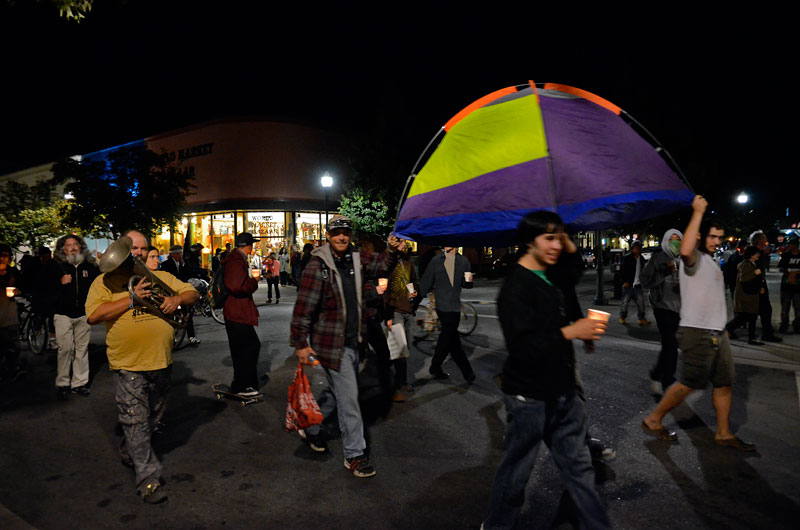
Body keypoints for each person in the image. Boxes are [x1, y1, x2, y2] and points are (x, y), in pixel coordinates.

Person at [483, 211, 611, 530]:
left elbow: (574, 268)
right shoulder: (515, 287)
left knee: (580, 469)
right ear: (530, 242)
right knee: (516, 473)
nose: (557, 245)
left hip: (564, 392)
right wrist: (572, 331)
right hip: (529, 397)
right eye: (549, 238)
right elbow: (524, 349)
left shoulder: (552, 273)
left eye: (561, 237)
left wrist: (562, 232)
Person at [85, 230, 199, 503]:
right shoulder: (104, 282)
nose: (137, 253)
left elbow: (192, 293)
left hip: (160, 361)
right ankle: (148, 478)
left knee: (153, 417)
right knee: (136, 420)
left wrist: (176, 300)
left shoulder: (162, 277)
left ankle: (130, 448)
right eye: (132, 248)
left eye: (142, 248)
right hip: (128, 364)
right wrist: (131, 298)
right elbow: (93, 315)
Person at [290, 215, 401, 478]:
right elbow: (303, 308)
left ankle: (312, 429)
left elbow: (383, 265)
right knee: (350, 399)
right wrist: (300, 343)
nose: (342, 236)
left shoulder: (357, 258)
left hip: (356, 342)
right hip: (332, 345)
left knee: (338, 391)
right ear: (328, 235)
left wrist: (393, 248)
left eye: (346, 232)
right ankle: (355, 455)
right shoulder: (318, 266)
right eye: (337, 232)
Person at [642, 196, 755, 451]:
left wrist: (723, 326)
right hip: (698, 332)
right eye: (712, 236)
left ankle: (724, 434)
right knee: (689, 382)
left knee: (724, 383)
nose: (717, 241)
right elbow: (684, 249)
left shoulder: (713, 263)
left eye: (720, 237)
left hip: (718, 332)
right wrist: (698, 211)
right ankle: (653, 419)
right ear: (702, 236)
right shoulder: (691, 258)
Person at [417, 245, 475, 382]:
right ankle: (440, 367)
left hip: (455, 306)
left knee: (452, 341)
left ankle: (439, 369)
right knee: (448, 338)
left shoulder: (463, 261)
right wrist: (414, 301)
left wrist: (469, 282)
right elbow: (426, 282)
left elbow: (466, 284)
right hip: (442, 307)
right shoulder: (436, 260)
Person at [52, 235, 100, 400]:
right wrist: (59, 283)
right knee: (65, 348)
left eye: (75, 244)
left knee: (82, 349)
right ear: (63, 249)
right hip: (62, 314)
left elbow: (98, 288)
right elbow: (43, 288)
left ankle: (79, 383)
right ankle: (63, 383)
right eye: (68, 245)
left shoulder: (90, 267)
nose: (73, 247)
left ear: (81, 247)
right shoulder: (56, 267)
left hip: (83, 314)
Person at [640, 229, 683, 394]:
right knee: (670, 344)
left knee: (670, 345)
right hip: (662, 307)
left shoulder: (684, 260)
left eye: (678, 239)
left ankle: (657, 372)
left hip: (680, 307)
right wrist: (662, 274)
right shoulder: (657, 259)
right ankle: (668, 379)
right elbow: (645, 281)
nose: (675, 243)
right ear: (665, 241)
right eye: (671, 239)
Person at [222, 232, 261, 396]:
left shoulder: (235, 258)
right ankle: (242, 385)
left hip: (236, 311)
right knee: (248, 348)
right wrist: (254, 281)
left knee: (245, 348)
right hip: (237, 312)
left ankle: (245, 383)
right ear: (249, 245)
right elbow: (237, 286)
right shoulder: (236, 260)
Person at [383, 239, 418, 402]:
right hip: (395, 310)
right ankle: (399, 382)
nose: (405, 245)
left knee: (406, 346)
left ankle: (391, 378)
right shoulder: (388, 263)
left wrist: (415, 293)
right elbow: (383, 289)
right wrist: (387, 315)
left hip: (409, 310)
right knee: (399, 348)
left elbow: (413, 282)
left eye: (406, 243)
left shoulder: (408, 263)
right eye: (402, 242)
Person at [160, 244, 200, 345]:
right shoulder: (166, 264)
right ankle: (172, 337)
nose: (180, 256)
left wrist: (183, 265)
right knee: (171, 315)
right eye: (178, 254)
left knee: (187, 314)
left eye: (180, 253)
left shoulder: (183, 264)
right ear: (173, 254)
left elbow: (188, 274)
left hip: (182, 292)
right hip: (171, 293)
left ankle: (191, 336)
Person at [725, 246, 766, 345]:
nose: (758, 255)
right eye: (757, 253)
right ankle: (728, 330)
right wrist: (755, 273)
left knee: (748, 317)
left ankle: (751, 337)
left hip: (749, 296)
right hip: (746, 296)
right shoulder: (746, 265)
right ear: (752, 255)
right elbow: (744, 279)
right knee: (745, 317)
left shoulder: (751, 264)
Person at [750, 231, 782, 342]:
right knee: (764, 310)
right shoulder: (755, 253)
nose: (766, 241)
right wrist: (760, 285)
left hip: (760, 284)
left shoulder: (760, 252)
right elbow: (754, 271)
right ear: (759, 240)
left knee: (763, 310)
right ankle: (766, 334)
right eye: (764, 239)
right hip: (759, 285)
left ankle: (765, 332)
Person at [1, 243, 24, 382]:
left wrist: (18, 291)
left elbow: (22, 285)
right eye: (1, 255)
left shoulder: (13, 272)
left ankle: (13, 369)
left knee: (14, 345)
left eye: (6, 255)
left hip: (10, 314)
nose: (3, 258)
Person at [618, 240, 650, 326]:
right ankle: (622, 317)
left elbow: (643, 271)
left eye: (639, 247)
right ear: (632, 248)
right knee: (625, 302)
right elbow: (623, 271)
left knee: (641, 303)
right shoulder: (627, 258)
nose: (638, 249)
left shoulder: (642, 258)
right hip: (628, 284)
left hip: (638, 285)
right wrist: (624, 281)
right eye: (636, 247)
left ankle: (642, 319)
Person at [777, 237, 800, 333]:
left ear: (795, 245)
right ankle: (784, 324)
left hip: (798, 286)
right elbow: (781, 268)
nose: (789, 246)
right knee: (785, 306)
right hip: (786, 285)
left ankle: (798, 325)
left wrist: (796, 274)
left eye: (790, 244)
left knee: (798, 307)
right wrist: (789, 274)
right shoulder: (786, 255)